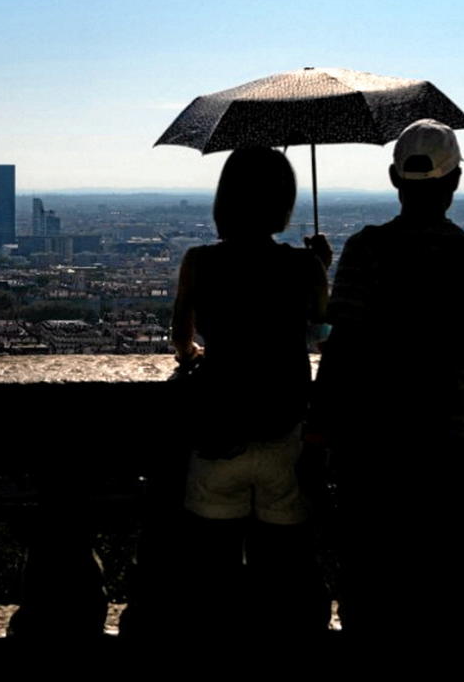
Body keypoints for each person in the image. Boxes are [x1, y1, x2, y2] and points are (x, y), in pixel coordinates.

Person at [315, 119, 464, 641]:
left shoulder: (366, 251)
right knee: (442, 598)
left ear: (394, 179)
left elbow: (342, 350)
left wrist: (318, 430)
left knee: (373, 594)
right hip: (450, 452)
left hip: (373, 453)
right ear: (456, 181)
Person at [168, 146, 330, 639]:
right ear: (284, 204)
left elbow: (182, 341)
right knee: (283, 566)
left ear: (224, 202)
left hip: (219, 432)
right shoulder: (302, 266)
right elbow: (321, 327)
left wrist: (196, 357)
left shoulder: (199, 262)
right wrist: (321, 265)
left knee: (213, 569)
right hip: (285, 433)